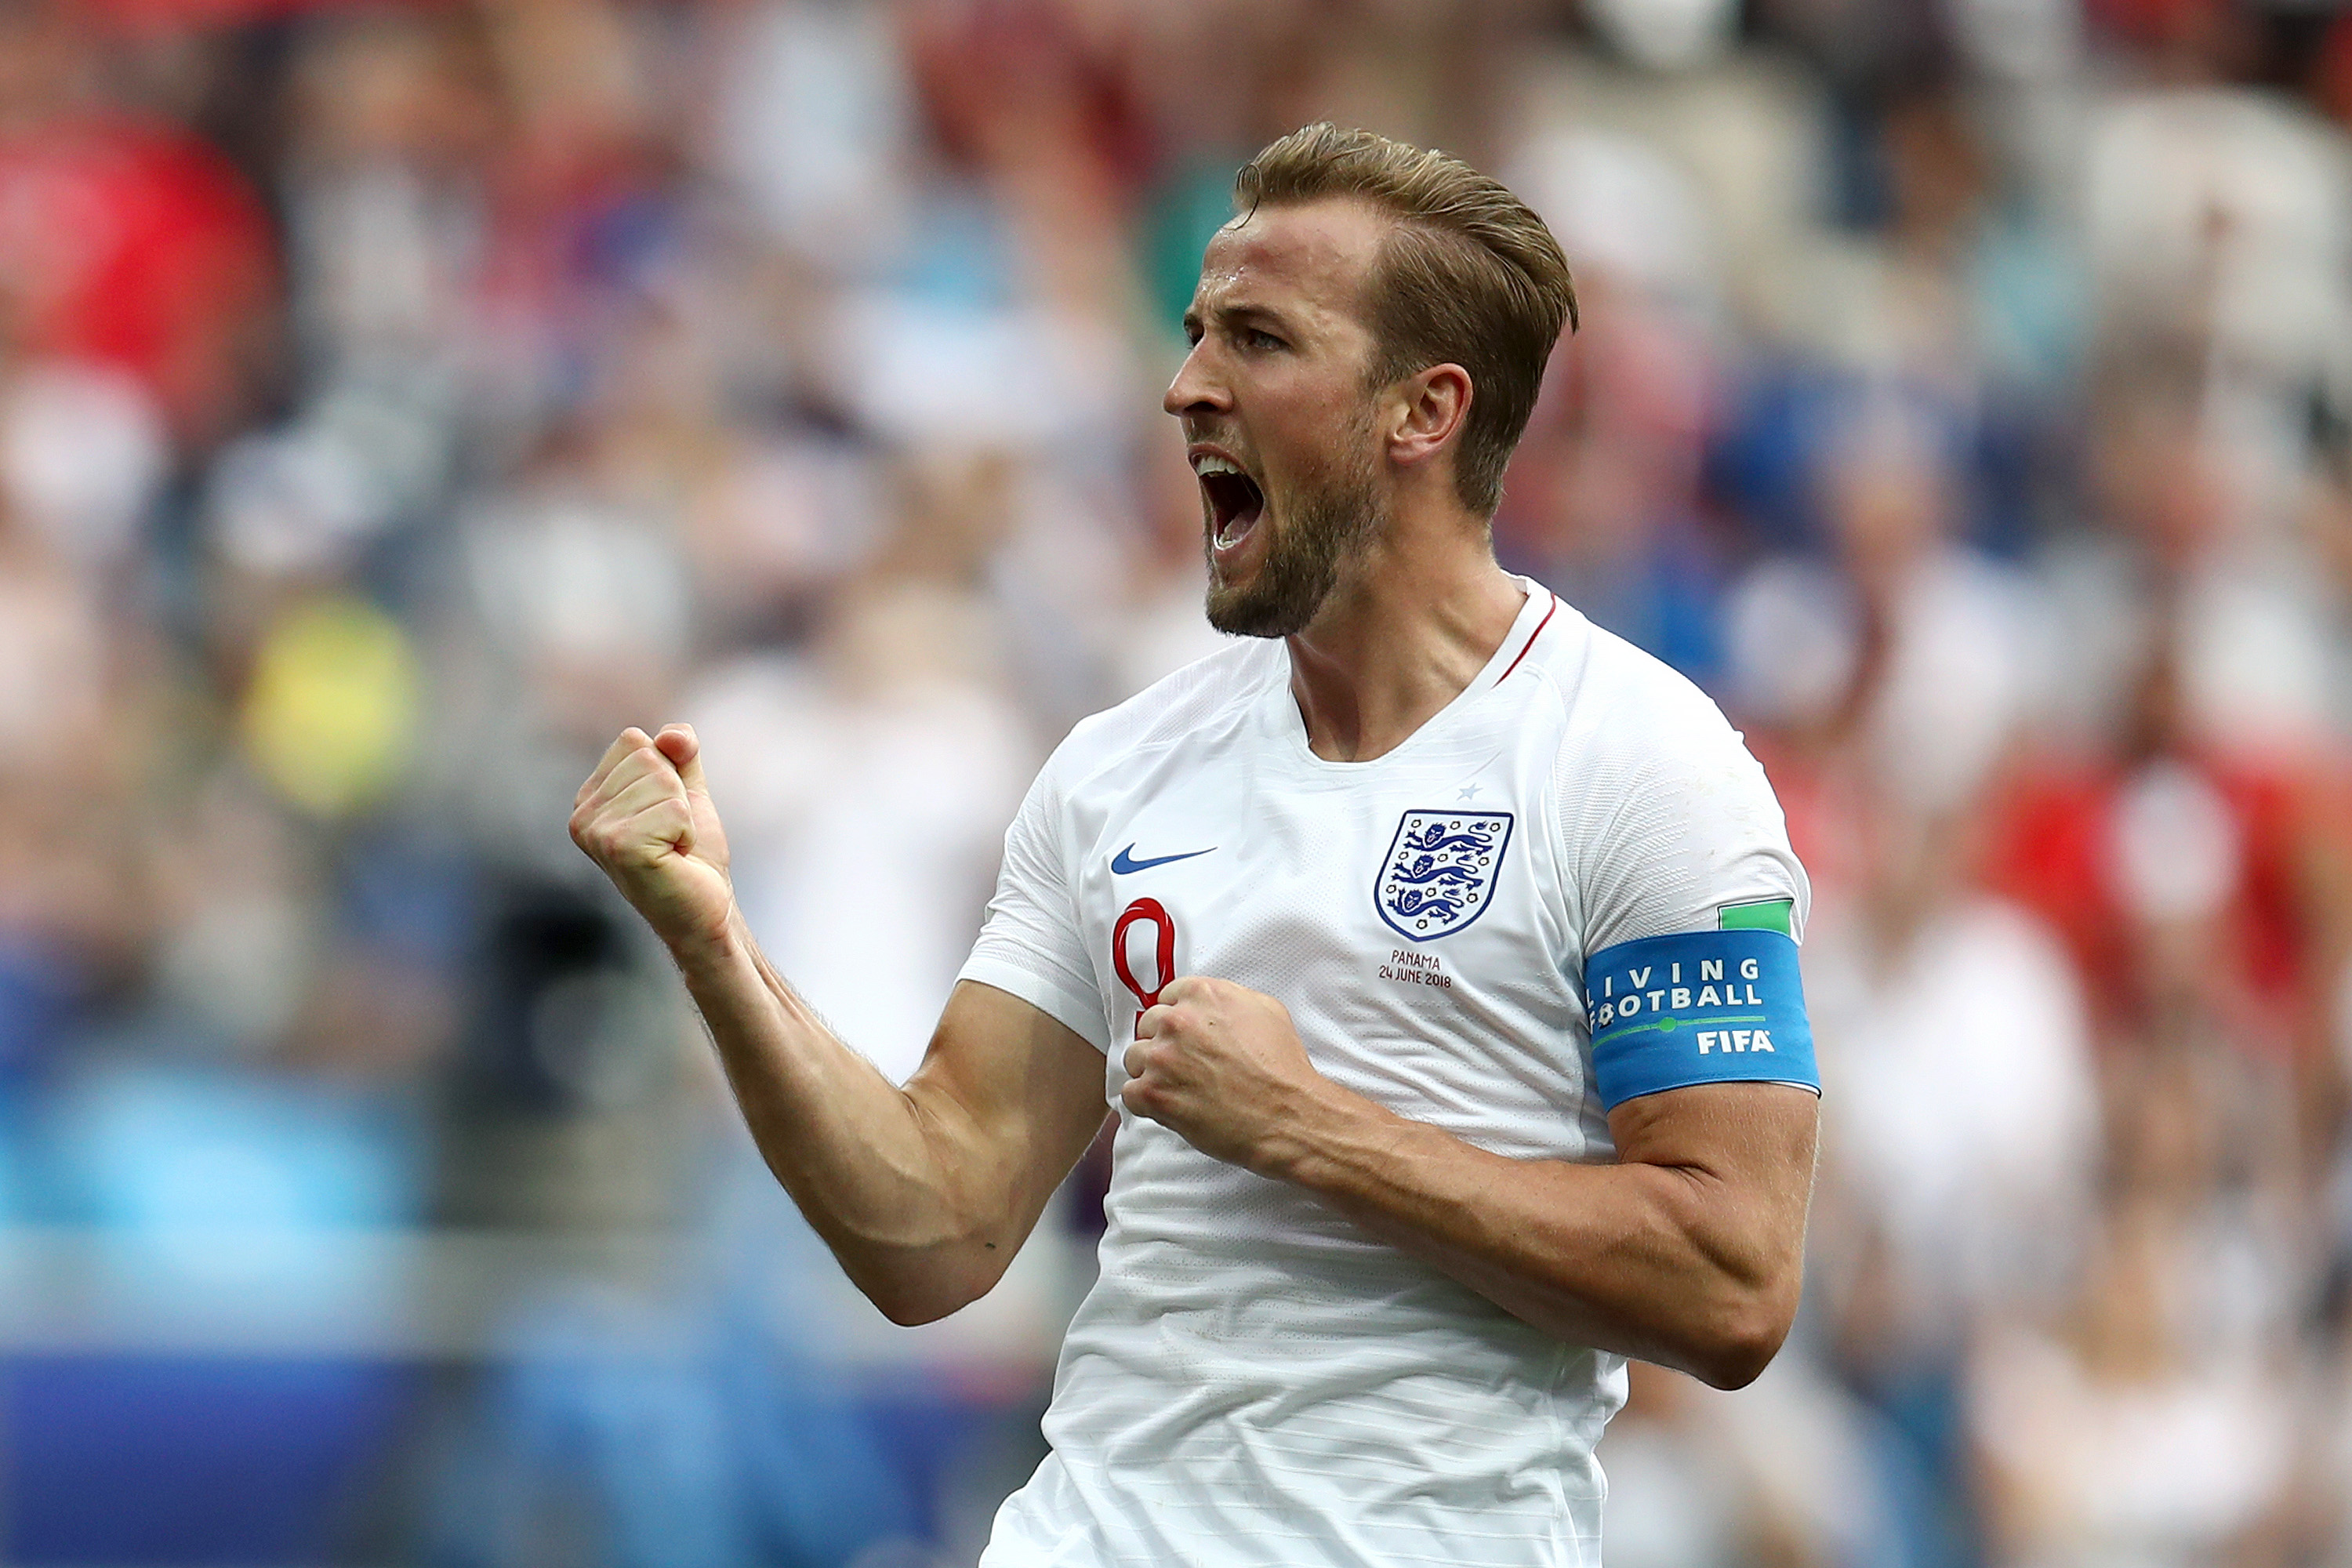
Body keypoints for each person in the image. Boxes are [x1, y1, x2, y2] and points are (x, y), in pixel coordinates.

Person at [570, 123, 1820, 1567]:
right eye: (1194, 332)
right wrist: (714, 940)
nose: (1185, 388)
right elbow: (935, 1226)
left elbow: (1735, 1284)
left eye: (1260, 341)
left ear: (1424, 410)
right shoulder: (1118, 774)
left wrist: (1309, 1128)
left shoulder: (1642, 765)